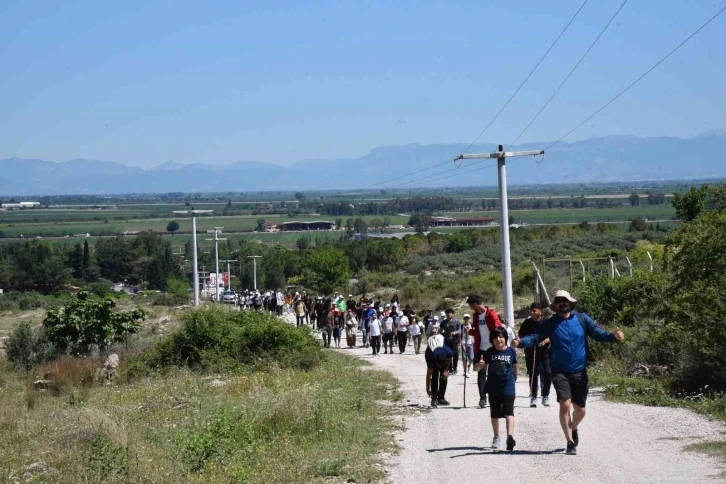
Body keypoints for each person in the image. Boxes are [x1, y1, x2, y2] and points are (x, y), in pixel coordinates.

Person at [514, 290, 625, 455]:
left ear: (571, 303)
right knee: (565, 404)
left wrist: (613, 336)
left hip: (580, 371)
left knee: (580, 410)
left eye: (565, 300)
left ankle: (573, 427)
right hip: (559, 371)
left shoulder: (582, 319)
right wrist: (520, 342)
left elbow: (598, 334)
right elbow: (536, 337)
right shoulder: (550, 323)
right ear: (555, 305)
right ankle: (570, 442)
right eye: (558, 300)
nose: (562, 303)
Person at [475, 327, 518, 451]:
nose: (499, 339)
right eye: (495, 338)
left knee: (509, 411)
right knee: (494, 413)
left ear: (505, 338)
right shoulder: (489, 352)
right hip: (494, 387)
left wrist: (514, 378)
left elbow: (515, 366)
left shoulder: (511, 351)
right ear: (492, 340)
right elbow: (476, 369)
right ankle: (496, 436)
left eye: (501, 337)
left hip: (508, 387)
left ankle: (510, 437)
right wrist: (480, 365)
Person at [466, 295, 503, 409]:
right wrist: (469, 332)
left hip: (492, 348)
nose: (471, 308)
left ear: (475, 304)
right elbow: (477, 331)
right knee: (481, 375)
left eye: (471, 306)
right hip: (481, 349)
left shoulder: (490, 313)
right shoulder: (475, 316)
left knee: (494, 373)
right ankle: (482, 398)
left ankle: (496, 397)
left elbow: (498, 328)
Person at [518, 302, 552, 407]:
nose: (532, 312)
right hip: (531, 352)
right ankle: (533, 397)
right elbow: (521, 335)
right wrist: (526, 341)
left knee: (548, 373)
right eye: (531, 310)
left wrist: (546, 340)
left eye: (534, 310)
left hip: (545, 353)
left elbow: (553, 335)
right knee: (533, 375)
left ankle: (545, 395)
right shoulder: (527, 323)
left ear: (540, 312)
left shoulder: (546, 323)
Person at [425, 333, 453, 407]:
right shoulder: (431, 356)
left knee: (444, 376)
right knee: (434, 375)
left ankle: (441, 398)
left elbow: (450, 359)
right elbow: (428, 376)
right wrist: (427, 389)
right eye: (439, 365)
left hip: (440, 344)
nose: (440, 366)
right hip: (431, 349)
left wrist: (445, 370)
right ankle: (434, 399)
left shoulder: (448, 352)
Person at [440, 309, 461, 373]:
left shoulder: (456, 321)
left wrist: (455, 332)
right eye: (447, 313)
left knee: (455, 354)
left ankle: (455, 367)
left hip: (455, 341)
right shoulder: (443, 322)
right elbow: (440, 330)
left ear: (452, 314)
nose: (449, 314)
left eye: (450, 313)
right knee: (448, 354)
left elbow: (460, 331)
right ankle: (449, 368)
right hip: (446, 341)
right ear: (446, 314)